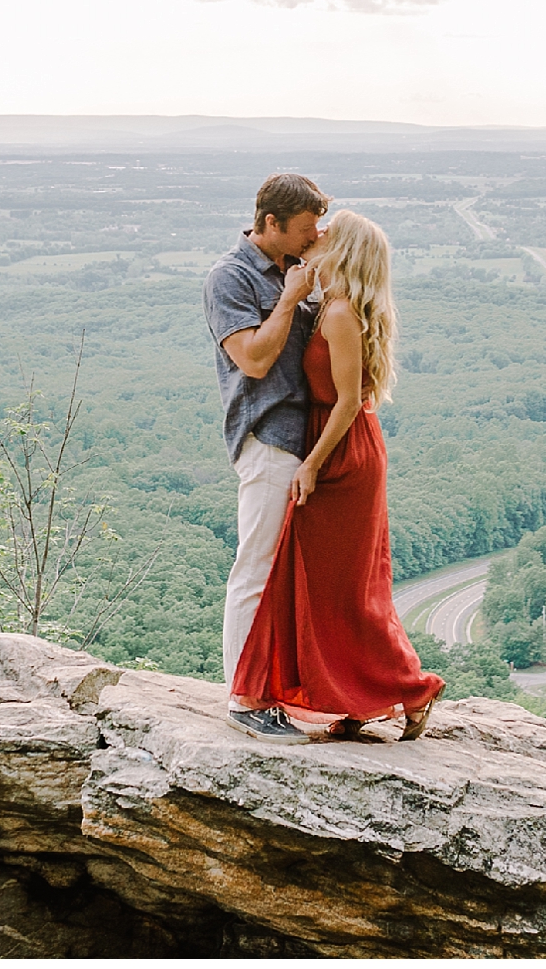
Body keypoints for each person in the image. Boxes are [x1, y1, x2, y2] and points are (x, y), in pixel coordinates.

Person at [230, 211, 445, 741]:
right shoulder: (328, 304)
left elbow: (348, 400)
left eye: (326, 234)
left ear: (343, 249)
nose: (315, 238)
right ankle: (352, 695)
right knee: (327, 587)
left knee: (349, 590)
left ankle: (410, 689)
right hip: (334, 444)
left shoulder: (341, 313)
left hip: (342, 451)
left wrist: (311, 463)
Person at [204, 171, 329, 744]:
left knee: (286, 576)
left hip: (307, 438)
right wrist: (291, 300)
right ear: (271, 223)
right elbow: (253, 359)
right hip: (268, 435)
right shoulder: (229, 278)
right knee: (255, 567)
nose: (314, 236)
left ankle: (278, 689)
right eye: (306, 228)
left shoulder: (294, 268)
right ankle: (244, 697)